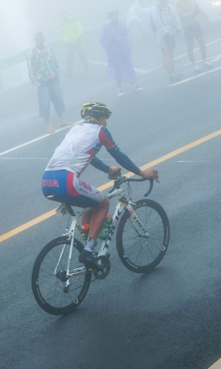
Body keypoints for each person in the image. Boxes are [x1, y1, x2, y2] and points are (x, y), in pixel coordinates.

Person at [41, 102, 159, 271]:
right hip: (66, 181)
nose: (106, 123)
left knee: (89, 202)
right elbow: (119, 155)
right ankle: (89, 249)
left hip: (47, 181)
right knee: (103, 203)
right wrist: (142, 173)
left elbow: (90, 156)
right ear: (101, 118)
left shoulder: (74, 130)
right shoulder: (100, 131)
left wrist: (108, 170)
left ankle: (87, 235)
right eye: (106, 119)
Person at [28, 32, 70, 133]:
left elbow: (54, 60)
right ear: (35, 40)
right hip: (43, 82)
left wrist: (56, 71)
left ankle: (61, 120)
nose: (40, 41)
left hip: (53, 78)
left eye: (41, 38)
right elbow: (31, 69)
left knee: (58, 99)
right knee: (44, 103)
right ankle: (49, 125)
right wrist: (36, 82)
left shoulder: (49, 48)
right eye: (38, 39)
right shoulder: (32, 53)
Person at [99, 8, 143, 97]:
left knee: (129, 67)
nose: (114, 17)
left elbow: (126, 33)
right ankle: (119, 89)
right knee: (117, 69)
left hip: (124, 51)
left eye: (115, 15)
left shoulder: (122, 25)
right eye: (112, 16)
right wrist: (109, 41)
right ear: (109, 17)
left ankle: (133, 85)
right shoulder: (106, 29)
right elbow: (102, 40)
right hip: (114, 53)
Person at [176, 0, 214, 73]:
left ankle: (204, 61)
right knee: (190, 46)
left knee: (202, 43)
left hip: (195, 24)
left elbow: (197, 7)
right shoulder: (178, 2)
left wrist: (199, 11)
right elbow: (182, 16)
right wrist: (193, 13)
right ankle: (194, 65)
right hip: (187, 26)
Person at [151, 0, 182, 83]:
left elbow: (174, 18)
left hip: (171, 33)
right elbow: (157, 22)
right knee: (166, 53)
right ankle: (170, 73)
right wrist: (164, 31)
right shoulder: (156, 9)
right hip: (163, 35)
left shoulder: (168, 7)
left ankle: (173, 71)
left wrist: (178, 28)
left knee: (171, 53)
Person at [59, 10, 89, 77]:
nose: (63, 16)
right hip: (68, 43)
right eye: (61, 15)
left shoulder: (73, 20)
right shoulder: (62, 24)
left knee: (81, 55)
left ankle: (86, 66)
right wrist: (63, 43)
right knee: (69, 58)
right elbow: (62, 35)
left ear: (67, 14)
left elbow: (79, 28)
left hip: (76, 41)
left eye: (64, 14)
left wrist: (80, 36)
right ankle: (69, 72)